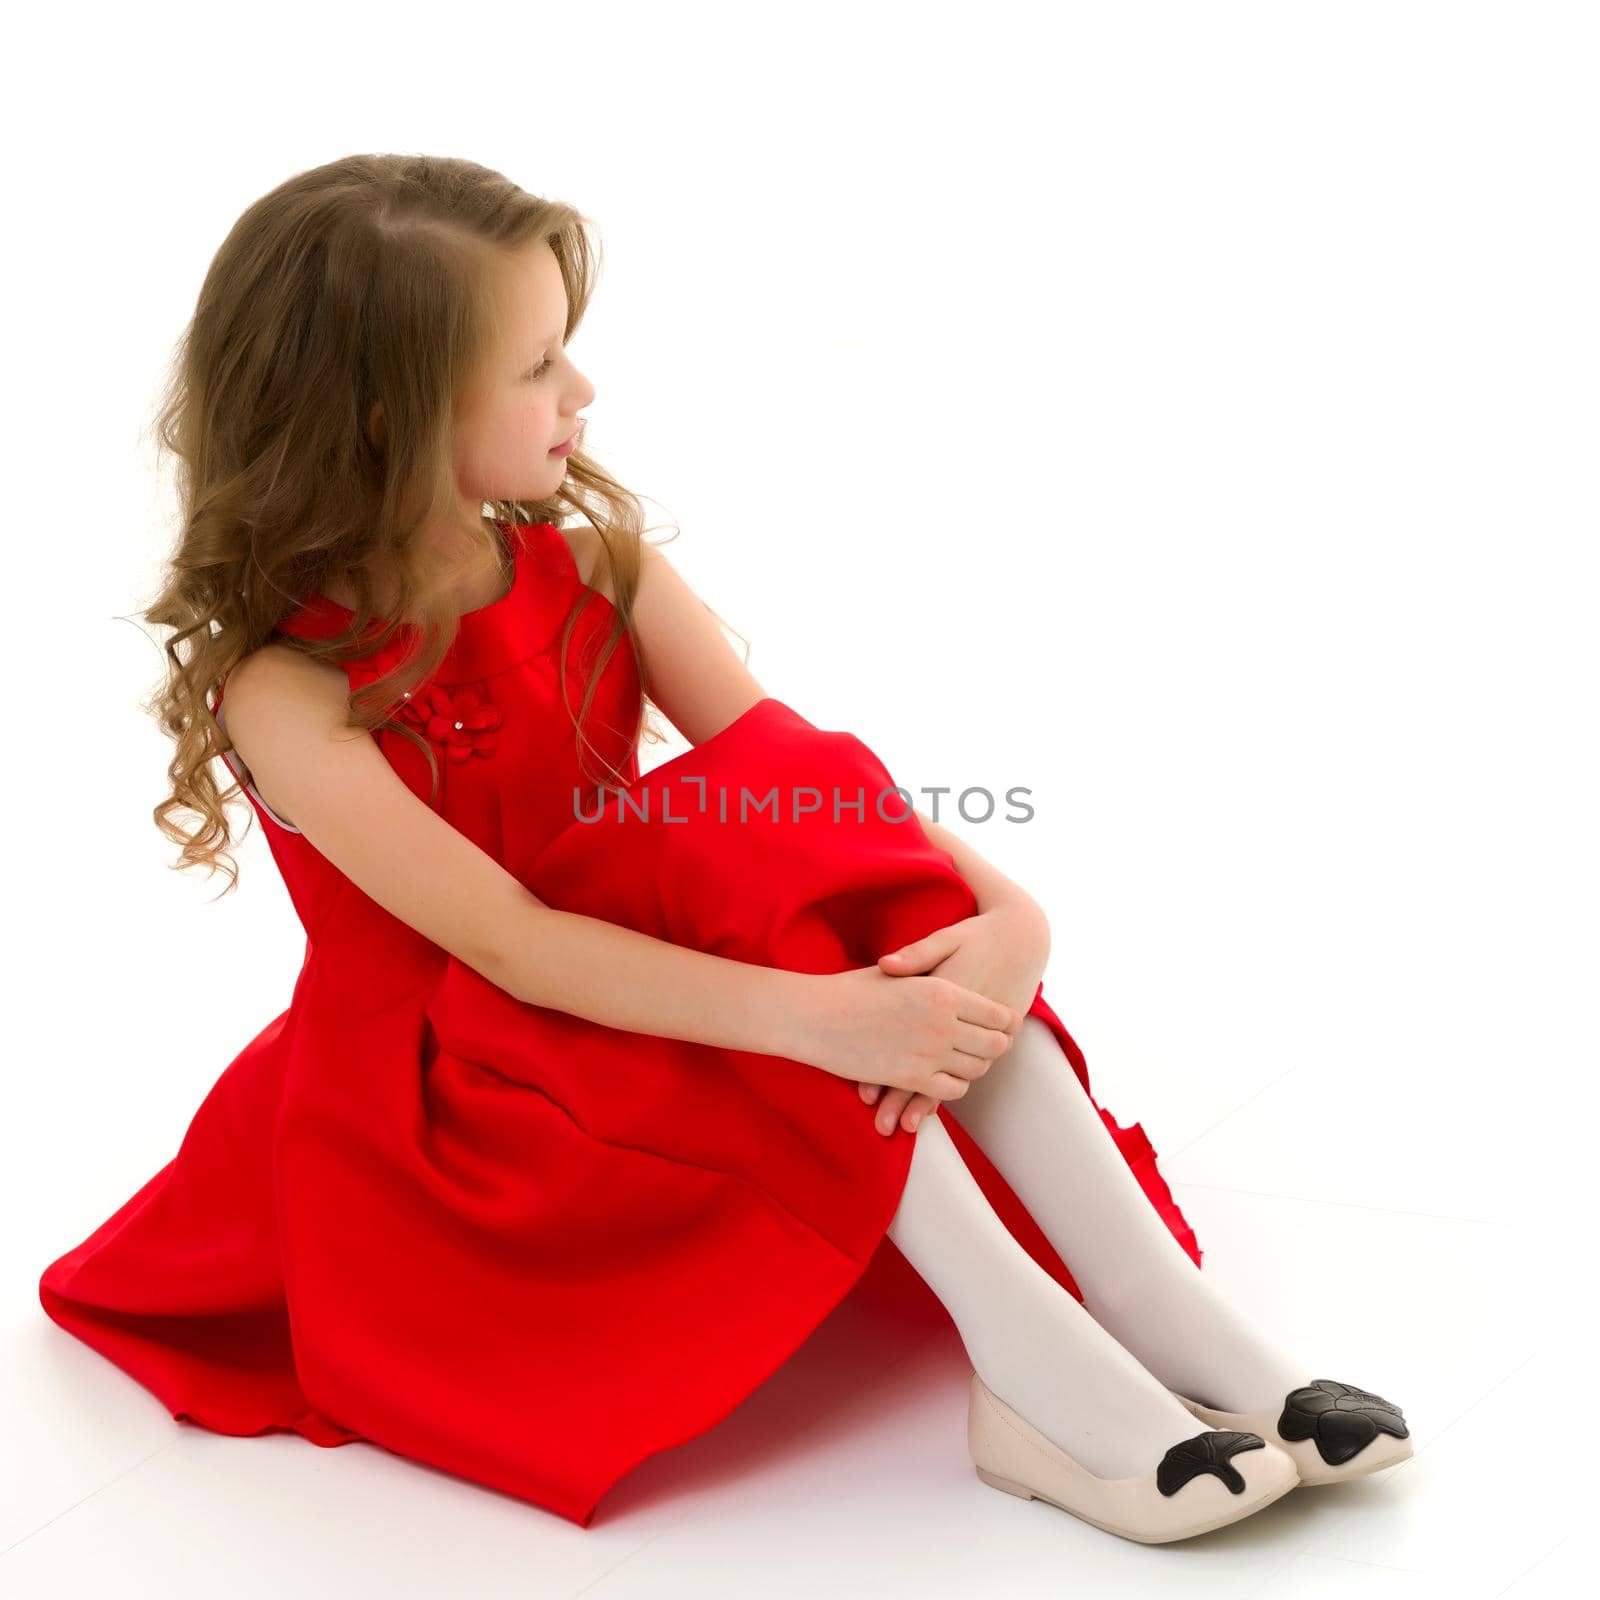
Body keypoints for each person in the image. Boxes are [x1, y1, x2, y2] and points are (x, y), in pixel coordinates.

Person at [37, 154, 1410, 1543]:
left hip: (647, 984)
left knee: (776, 835)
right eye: (536, 367)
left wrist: (1005, 913)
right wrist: (819, 1020)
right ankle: (1038, 1374)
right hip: (462, 1076)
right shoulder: (296, 689)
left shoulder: (595, 564)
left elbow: (799, 780)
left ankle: (1163, 1316)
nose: (582, 395)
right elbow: (513, 944)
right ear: (385, 414)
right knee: (784, 964)